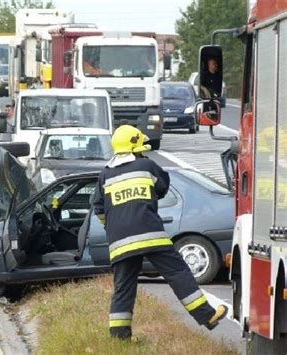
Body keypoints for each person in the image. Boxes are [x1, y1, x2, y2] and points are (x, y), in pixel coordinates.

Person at [92, 125, 228, 341]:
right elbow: (163, 185)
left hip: (120, 243)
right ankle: (207, 316)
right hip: (150, 235)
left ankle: (119, 337)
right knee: (178, 273)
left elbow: (98, 208)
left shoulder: (105, 174)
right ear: (135, 148)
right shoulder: (146, 165)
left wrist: (114, 226)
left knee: (123, 287)